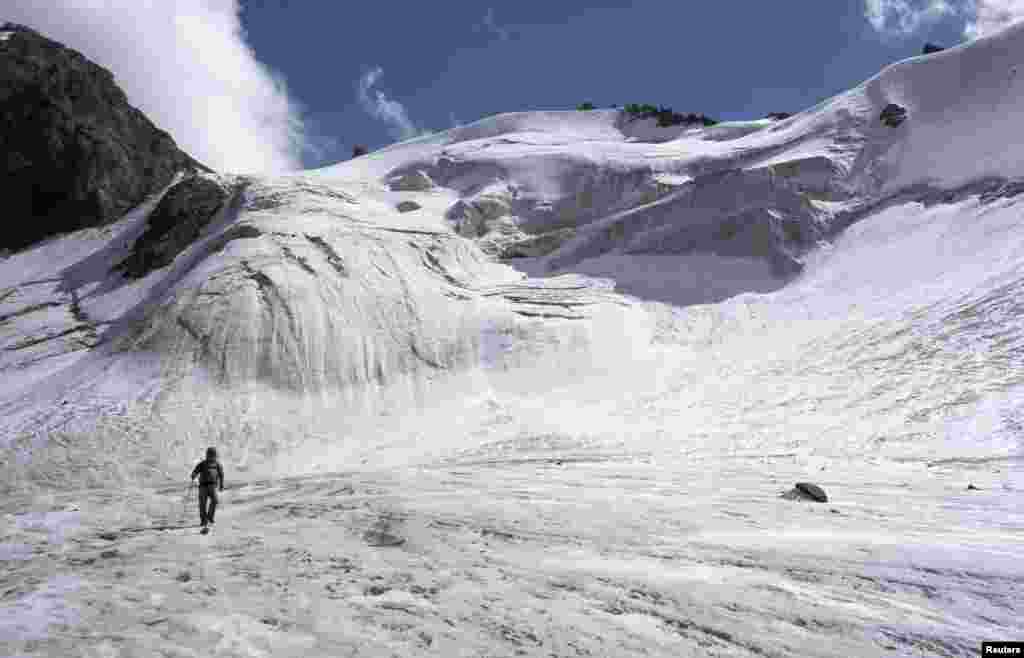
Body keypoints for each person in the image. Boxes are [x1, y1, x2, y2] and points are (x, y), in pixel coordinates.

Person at [190, 447, 224, 531]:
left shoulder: (217, 465)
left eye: (213, 455)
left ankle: (210, 517)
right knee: (202, 504)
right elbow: (196, 470)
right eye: (210, 455)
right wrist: (193, 474)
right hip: (203, 486)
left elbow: (221, 475)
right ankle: (203, 520)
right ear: (207, 455)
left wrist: (221, 484)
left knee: (215, 501)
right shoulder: (202, 464)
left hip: (213, 486)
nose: (211, 457)